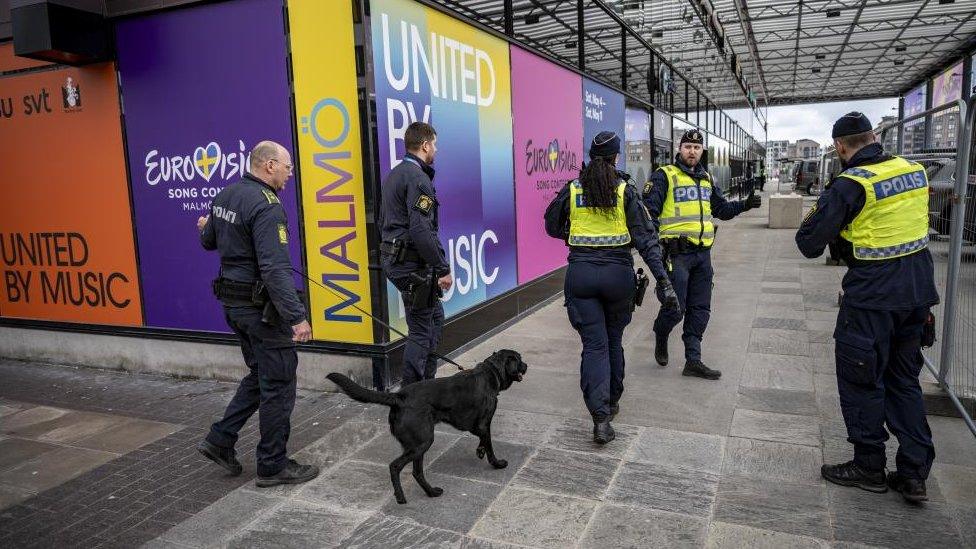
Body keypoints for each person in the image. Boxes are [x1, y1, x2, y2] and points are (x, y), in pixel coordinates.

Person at [796, 112, 938, 503]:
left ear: (840, 147)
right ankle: (913, 474)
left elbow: (807, 242)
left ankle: (869, 465)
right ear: (874, 136)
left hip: (872, 300)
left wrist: (835, 216)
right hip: (917, 296)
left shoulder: (852, 183)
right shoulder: (914, 169)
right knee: (904, 382)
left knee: (862, 381)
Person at [195, 140, 319, 487]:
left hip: (234, 308)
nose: (290, 173)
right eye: (287, 166)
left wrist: (205, 225)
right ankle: (272, 465)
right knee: (279, 383)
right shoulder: (267, 206)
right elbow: (275, 269)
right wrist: (296, 317)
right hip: (260, 312)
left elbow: (208, 241)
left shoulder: (226, 195)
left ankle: (220, 439)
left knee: (260, 375)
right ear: (268, 166)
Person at [545, 131, 679, 444]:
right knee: (614, 340)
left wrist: (571, 234)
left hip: (580, 276)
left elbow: (550, 224)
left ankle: (600, 419)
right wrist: (663, 280)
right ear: (616, 157)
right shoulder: (624, 191)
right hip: (618, 278)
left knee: (595, 346)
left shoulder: (574, 188)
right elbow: (647, 240)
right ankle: (613, 401)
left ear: (592, 156)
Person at [643, 129, 762, 379]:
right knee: (676, 308)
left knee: (700, 309)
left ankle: (693, 360)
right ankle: (661, 331)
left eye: (697, 148)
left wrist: (745, 205)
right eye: (687, 147)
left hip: (702, 256)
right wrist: (655, 248)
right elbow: (648, 215)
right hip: (677, 257)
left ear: (702, 151)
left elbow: (721, 209)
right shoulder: (665, 176)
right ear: (679, 149)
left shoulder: (707, 178)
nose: (692, 152)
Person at [379, 122, 453, 385]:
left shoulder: (395, 175)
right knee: (422, 329)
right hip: (411, 265)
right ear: (425, 145)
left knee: (434, 317)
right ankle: (412, 395)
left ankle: (427, 387)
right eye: (434, 144)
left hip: (398, 260)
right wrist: (442, 268)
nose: (435, 149)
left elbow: (383, 221)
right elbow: (422, 230)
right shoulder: (418, 178)